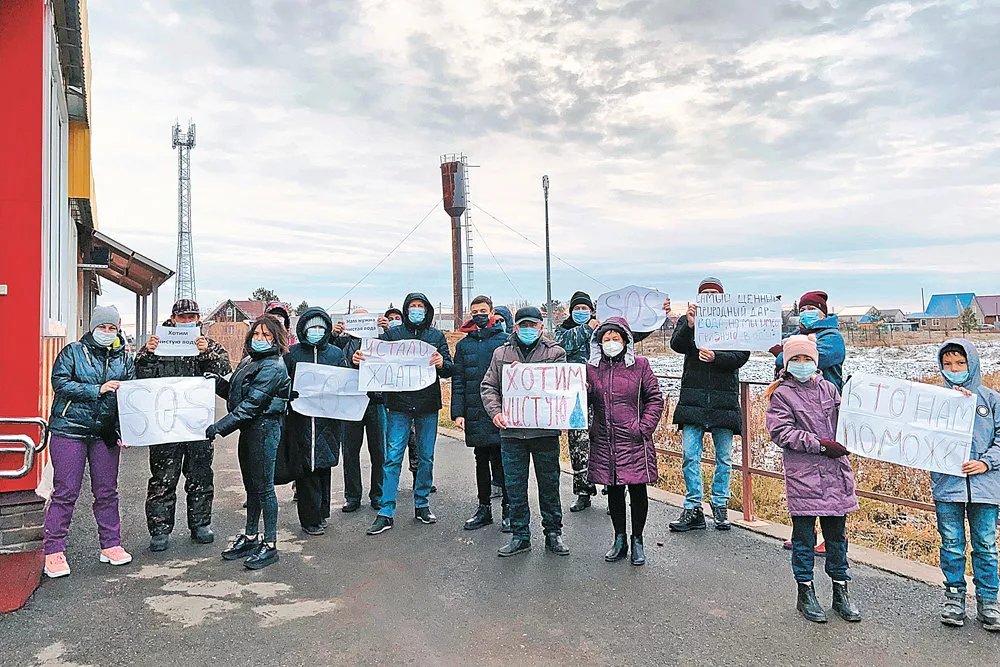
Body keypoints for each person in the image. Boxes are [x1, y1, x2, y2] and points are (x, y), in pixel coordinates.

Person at [765, 334, 861, 624]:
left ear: (816, 361)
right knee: (804, 538)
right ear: (787, 362)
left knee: (837, 538)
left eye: (807, 358)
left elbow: (847, 419)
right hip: (804, 475)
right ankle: (805, 591)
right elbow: (781, 432)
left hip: (835, 474)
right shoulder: (782, 394)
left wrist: (859, 398)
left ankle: (840, 591)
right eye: (796, 359)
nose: (803, 364)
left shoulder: (830, 389)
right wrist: (819, 444)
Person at [43, 305, 135, 578]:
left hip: (103, 434)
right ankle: (54, 550)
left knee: (107, 492)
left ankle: (111, 545)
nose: (107, 333)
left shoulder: (125, 360)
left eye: (112, 328)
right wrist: (97, 389)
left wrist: (125, 431)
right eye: (102, 327)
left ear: (118, 330)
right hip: (69, 429)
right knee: (66, 491)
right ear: (92, 328)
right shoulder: (73, 352)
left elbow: (128, 401)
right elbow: (60, 382)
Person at [136, 299, 232, 553]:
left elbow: (225, 372)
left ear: (198, 319)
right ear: (173, 318)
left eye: (192, 317)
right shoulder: (158, 342)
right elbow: (139, 377)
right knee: (163, 478)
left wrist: (206, 353)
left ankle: (200, 524)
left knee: (200, 475)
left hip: (197, 423)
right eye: (183, 317)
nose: (188, 321)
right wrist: (147, 353)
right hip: (165, 423)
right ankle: (159, 530)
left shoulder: (206, 343)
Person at [354, 293, 453, 536]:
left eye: (420, 307)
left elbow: (450, 369)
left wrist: (442, 363)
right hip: (397, 406)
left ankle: (422, 504)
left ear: (427, 310)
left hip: (427, 406)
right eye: (412, 306)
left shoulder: (436, 336)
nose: (416, 310)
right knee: (392, 457)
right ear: (406, 309)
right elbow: (375, 360)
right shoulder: (392, 336)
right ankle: (386, 511)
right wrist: (358, 359)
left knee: (426, 457)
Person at [481, 306, 570, 557]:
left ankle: (553, 532)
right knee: (515, 486)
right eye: (523, 325)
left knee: (549, 484)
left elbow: (559, 387)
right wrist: (495, 412)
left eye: (533, 325)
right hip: (512, 432)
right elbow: (488, 386)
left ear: (541, 327)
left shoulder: (555, 353)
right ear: (515, 327)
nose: (528, 329)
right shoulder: (501, 354)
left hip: (544, 432)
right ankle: (520, 536)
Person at [205, 316, 291, 570]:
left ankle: (271, 543)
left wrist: (218, 428)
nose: (260, 339)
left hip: (265, 429)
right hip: (249, 430)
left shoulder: (274, 367)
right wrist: (216, 381)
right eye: (257, 334)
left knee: (264, 488)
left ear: (276, 339)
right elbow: (235, 392)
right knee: (252, 487)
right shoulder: (249, 360)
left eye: (267, 336)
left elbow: (252, 405)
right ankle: (251, 536)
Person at [667, 277, 750, 532]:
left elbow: (741, 356)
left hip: (724, 399)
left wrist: (716, 358)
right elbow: (676, 346)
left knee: (724, 457)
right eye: (706, 294)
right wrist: (690, 326)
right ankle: (693, 507)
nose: (710, 298)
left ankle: (720, 504)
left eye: (715, 294)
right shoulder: (688, 319)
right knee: (690, 455)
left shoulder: (733, 322)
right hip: (693, 397)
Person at [932, 340, 1000, 631]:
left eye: (960, 363)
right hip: (948, 486)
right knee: (951, 543)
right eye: (947, 364)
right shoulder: (934, 399)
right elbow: (921, 437)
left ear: (972, 363)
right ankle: (954, 598)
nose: (954, 369)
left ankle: (988, 601)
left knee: (985, 544)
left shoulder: (991, 399)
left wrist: (986, 463)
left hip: (985, 488)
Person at [586, 317, 664, 566]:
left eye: (615, 338)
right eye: (606, 339)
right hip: (604, 438)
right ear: (599, 342)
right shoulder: (591, 368)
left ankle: (637, 540)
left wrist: (644, 427)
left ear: (625, 341)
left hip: (634, 439)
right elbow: (581, 400)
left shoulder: (640, 366)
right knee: (614, 489)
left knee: (638, 489)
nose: (610, 343)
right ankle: (619, 539)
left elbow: (655, 398)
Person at [283, 308, 346, 536]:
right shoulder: (292, 353)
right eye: (312, 327)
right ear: (303, 329)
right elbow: (284, 383)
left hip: (328, 421)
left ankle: (322, 513)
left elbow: (345, 382)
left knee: (323, 467)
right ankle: (309, 519)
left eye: (320, 327)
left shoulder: (336, 354)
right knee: (306, 469)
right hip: (301, 421)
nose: (316, 331)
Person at [451, 295, 510, 532]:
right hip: (474, 409)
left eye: (483, 310)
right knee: (480, 460)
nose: (479, 315)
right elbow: (458, 380)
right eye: (475, 311)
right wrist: (458, 412)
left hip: (500, 410)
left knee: (502, 460)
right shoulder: (463, 345)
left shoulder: (506, 341)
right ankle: (483, 507)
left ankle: (509, 508)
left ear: (492, 312)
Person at [337, 308, 391, 513]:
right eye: (356, 319)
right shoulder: (343, 342)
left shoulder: (380, 341)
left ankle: (378, 494)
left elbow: (393, 358)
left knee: (379, 451)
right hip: (350, 403)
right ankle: (352, 496)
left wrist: (386, 332)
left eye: (364, 319)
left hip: (375, 401)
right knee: (350, 452)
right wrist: (335, 336)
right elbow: (332, 364)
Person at [555, 290, 600, 513]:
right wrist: (586, 327)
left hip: (602, 394)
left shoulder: (602, 329)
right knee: (579, 445)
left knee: (605, 441)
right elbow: (563, 347)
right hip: (576, 398)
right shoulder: (562, 330)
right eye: (577, 309)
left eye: (585, 308)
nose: (581, 312)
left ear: (592, 310)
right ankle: (583, 492)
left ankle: (613, 490)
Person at [773, 291, 845, 392]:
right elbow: (777, 338)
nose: (806, 313)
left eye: (811, 309)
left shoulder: (832, 338)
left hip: (824, 397)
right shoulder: (799, 333)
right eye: (802, 310)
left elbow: (810, 360)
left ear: (823, 314)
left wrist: (782, 354)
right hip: (794, 395)